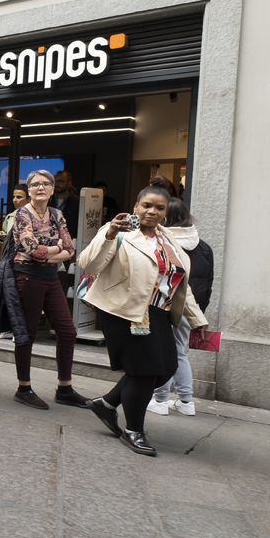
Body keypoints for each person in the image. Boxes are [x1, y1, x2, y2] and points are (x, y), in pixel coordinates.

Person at [80, 185, 207, 456]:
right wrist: (110, 234)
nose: (152, 211)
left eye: (159, 208)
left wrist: (197, 319)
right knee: (144, 371)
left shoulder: (168, 238)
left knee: (167, 367)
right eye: (147, 205)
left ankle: (107, 403)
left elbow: (179, 283)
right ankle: (133, 430)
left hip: (158, 311)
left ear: (166, 211)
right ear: (136, 206)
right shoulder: (118, 232)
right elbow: (88, 264)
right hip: (122, 310)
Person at [8, 170, 90, 409]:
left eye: (46, 184)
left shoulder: (57, 214)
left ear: (53, 189)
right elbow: (33, 250)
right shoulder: (22, 214)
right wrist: (54, 251)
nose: (41, 187)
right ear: (29, 190)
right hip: (27, 278)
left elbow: (70, 248)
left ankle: (65, 389)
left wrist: (48, 254)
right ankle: (24, 388)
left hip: (50, 277)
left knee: (67, 332)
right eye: (35, 184)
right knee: (28, 334)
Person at [149, 198, 214, 417]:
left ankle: (159, 399)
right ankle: (186, 401)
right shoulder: (204, 247)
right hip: (191, 310)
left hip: (164, 304)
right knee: (179, 352)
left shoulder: (164, 244)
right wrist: (198, 314)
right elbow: (208, 284)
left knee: (163, 352)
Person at [52, 170, 79, 238]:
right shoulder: (47, 200)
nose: (57, 184)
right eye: (55, 181)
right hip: (51, 239)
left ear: (69, 183)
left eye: (60, 181)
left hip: (70, 240)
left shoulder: (77, 201)